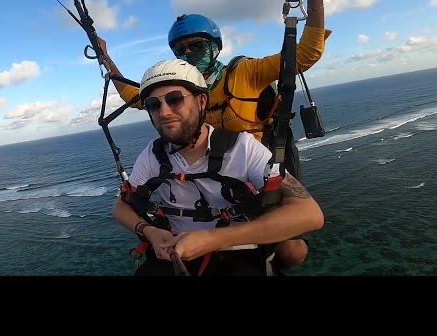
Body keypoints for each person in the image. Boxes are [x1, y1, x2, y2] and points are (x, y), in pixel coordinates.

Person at [101, 0, 332, 271]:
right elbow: (136, 96)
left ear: (214, 45)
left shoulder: (245, 73)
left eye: (195, 45)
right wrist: (107, 59)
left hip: (251, 175)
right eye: (181, 49)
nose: (188, 53)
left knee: (291, 253)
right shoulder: (174, 91)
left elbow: (303, 55)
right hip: (205, 180)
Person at [112, 59, 324, 276]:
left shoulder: (241, 147)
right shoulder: (153, 154)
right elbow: (121, 206)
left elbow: (309, 214)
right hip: (175, 254)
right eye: (153, 105)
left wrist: (213, 240)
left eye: (174, 99)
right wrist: (149, 231)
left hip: (237, 253)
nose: (164, 112)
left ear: (201, 100)